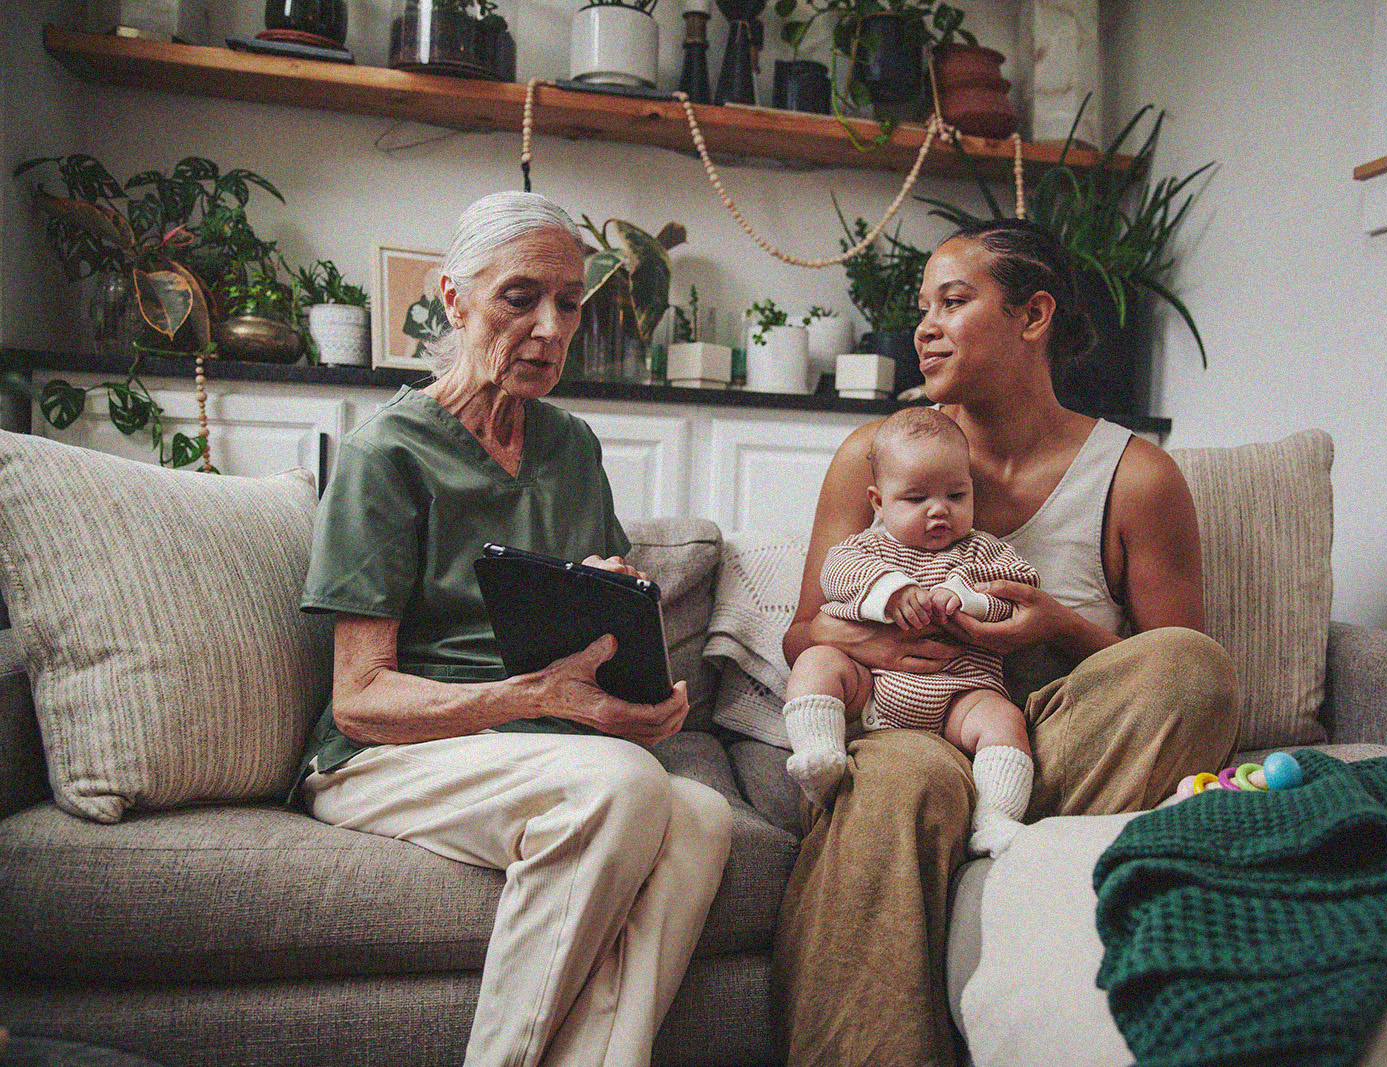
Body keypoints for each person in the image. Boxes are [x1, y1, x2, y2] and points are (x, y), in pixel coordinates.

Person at [773, 218, 1241, 1067]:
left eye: (954, 301)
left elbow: (1173, 677)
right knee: (904, 780)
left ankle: (992, 847)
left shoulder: (1135, 476)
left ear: (1034, 317)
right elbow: (804, 632)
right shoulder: (875, 456)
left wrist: (1055, 623)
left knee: (1195, 670)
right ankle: (979, 874)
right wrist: (883, 640)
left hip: (1057, 747)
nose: (924, 326)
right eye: (923, 306)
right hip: (909, 730)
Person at [295, 191, 733, 1067]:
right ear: (453, 300)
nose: (549, 326)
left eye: (569, 303)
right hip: (388, 755)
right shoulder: (386, 455)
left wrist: (633, 663)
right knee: (619, 784)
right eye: (519, 297)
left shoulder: (572, 446)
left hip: (541, 747)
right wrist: (539, 697)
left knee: (704, 818)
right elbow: (360, 700)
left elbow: (597, 629)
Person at [782, 406, 1039, 857]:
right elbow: (836, 575)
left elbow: (1020, 585)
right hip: (873, 692)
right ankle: (818, 757)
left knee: (1005, 720)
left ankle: (997, 817)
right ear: (878, 502)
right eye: (916, 499)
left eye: (956, 496)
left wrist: (968, 598)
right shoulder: (868, 547)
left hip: (959, 696)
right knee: (817, 661)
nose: (939, 511)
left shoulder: (983, 550)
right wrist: (891, 593)